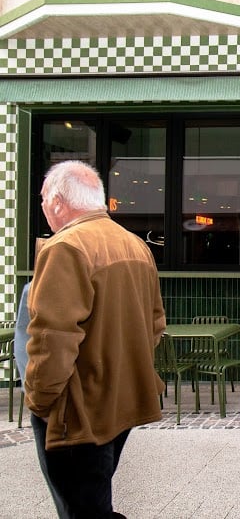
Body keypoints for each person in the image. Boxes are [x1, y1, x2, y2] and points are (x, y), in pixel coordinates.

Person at [25, 160, 166, 518]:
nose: (43, 207)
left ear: (58, 202)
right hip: (120, 402)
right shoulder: (135, 245)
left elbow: (52, 339)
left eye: (43, 199)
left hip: (77, 408)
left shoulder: (65, 247)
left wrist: (39, 400)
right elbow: (155, 325)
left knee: (84, 509)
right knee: (93, 500)